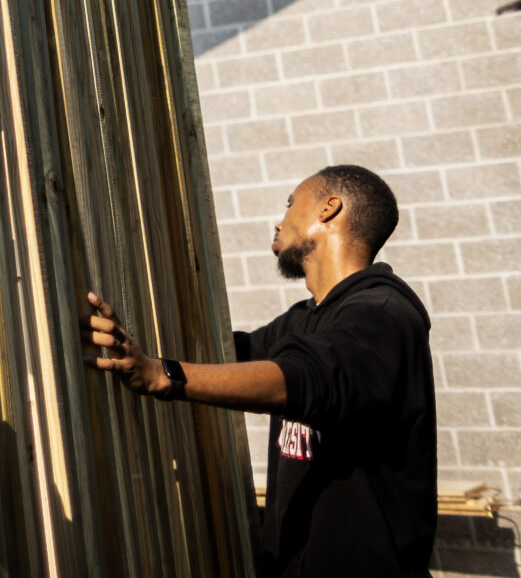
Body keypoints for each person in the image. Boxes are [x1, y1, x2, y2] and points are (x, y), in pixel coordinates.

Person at [84, 164, 435, 578]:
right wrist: (133, 340)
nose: (279, 220)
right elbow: (228, 356)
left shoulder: (382, 316)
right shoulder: (305, 320)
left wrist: (164, 375)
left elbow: (307, 379)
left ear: (329, 208)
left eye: (290, 205)